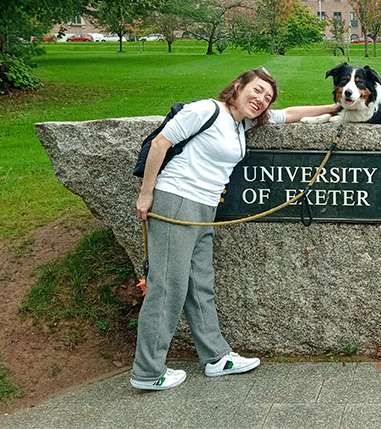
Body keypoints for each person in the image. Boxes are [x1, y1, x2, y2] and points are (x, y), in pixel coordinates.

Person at [131, 67, 338, 390]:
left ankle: (216, 357)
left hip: (205, 210)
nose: (260, 100)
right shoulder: (206, 110)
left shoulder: (243, 124)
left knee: (200, 285)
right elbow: (161, 143)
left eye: (267, 98)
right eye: (256, 91)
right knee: (167, 288)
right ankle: (147, 371)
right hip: (176, 202)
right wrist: (146, 194)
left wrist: (335, 108)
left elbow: (291, 114)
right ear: (238, 86)